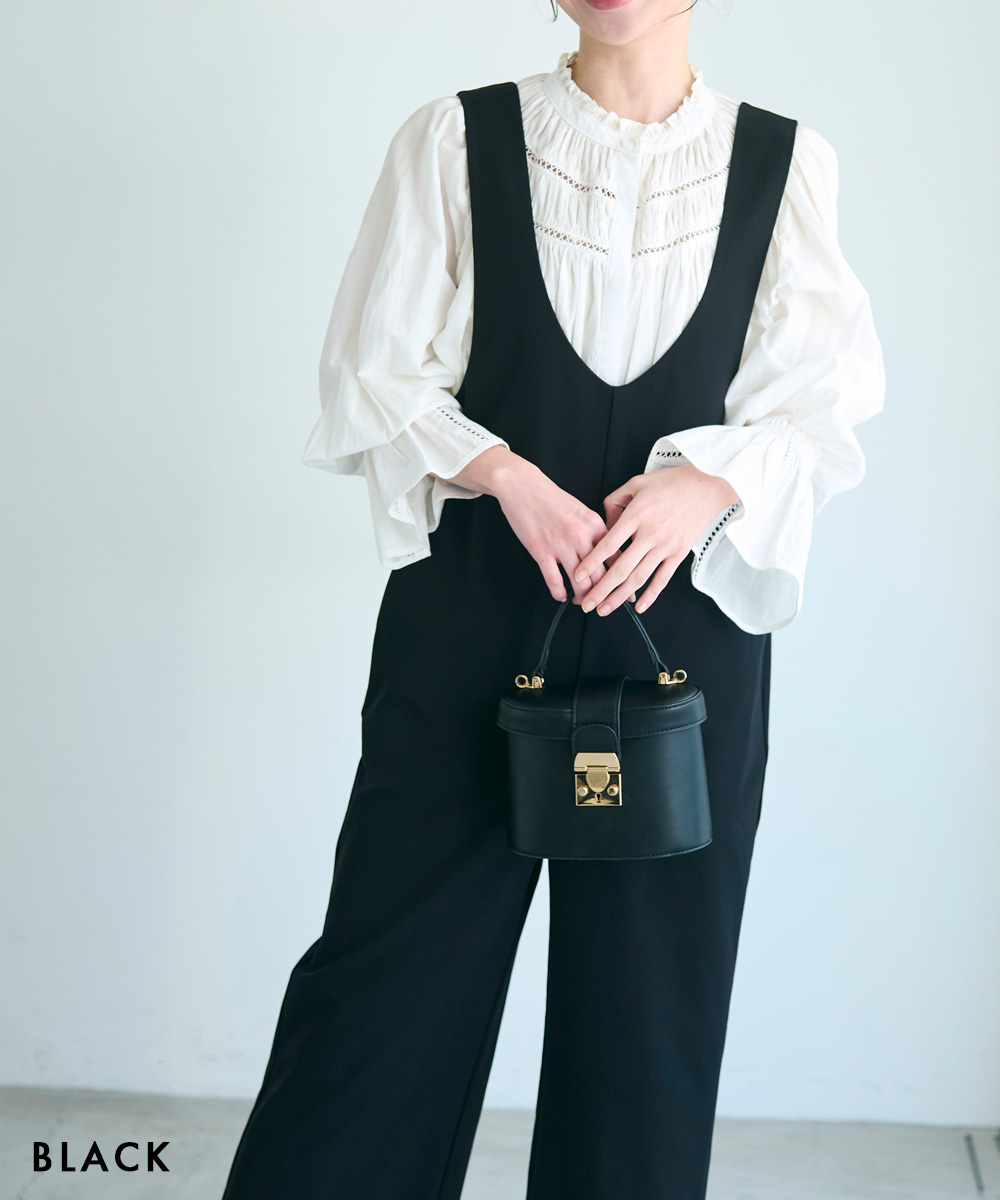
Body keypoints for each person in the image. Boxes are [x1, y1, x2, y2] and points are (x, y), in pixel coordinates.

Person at [220, 1, 885, 1197]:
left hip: (683, 633)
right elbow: (374, 372)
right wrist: (506, 477)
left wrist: (705, 486)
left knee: (649, 1017)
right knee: (388, 985)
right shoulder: (453, 138)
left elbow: (820, 402)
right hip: (472, 614)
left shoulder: (784, 162)